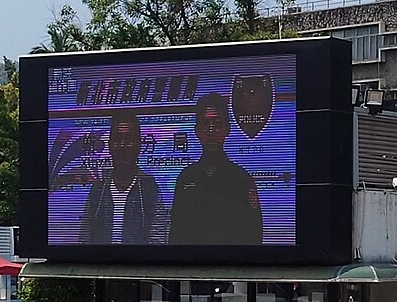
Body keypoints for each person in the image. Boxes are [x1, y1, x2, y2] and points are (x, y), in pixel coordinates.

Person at [168, 92, 263, 246]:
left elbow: (254, 233)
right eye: (205, 123)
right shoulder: (186, 178)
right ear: (197, 130)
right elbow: (176, 233)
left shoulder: (241, 179)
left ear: (227, 129)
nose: (211, 130)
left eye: (217, 123)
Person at [78, 110, 168, 244]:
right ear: (109, 144)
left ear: (139, 145)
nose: (122, 145)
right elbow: (84, 240)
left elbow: (158, 240)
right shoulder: (97, 190)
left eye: (129, 139)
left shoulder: (150, 190)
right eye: (117, 138)